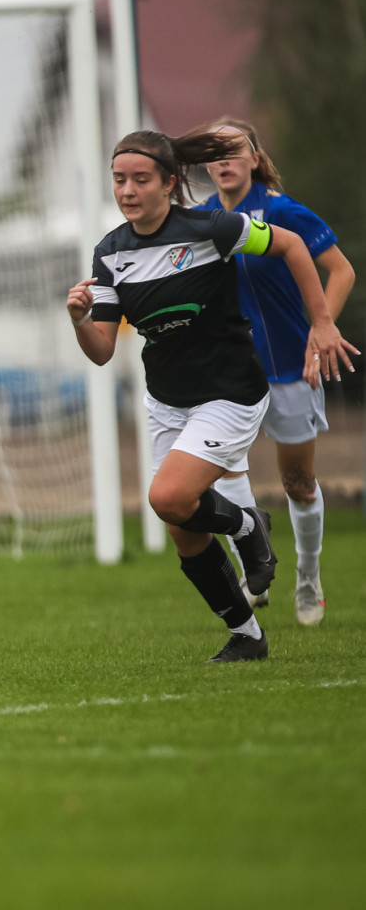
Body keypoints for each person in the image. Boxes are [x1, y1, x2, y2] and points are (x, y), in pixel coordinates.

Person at [67, 129, 356, 663]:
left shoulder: (211, 227)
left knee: (167, 498)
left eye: (140, 179)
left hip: (229, 390)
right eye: (119, 179)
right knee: (183, 529)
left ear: (169, 183)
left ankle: (249, 527)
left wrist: (321, 322)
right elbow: (102, 351)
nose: (127, 190)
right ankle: (247, 635)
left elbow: (292, 246)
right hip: (166, 398)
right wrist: (81, 320)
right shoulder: (109, 253)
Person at [191, 117, 355, 625]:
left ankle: (309, 575)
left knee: (298, 482)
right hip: (228, 371)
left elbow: (342, 270)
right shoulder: (199, 219)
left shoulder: (283, 211)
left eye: (233, 150)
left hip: (289, 366)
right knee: (221, 470)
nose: (223, 159)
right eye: (214, 152)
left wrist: (321, 328)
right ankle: (254, 570)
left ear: (255, 159)